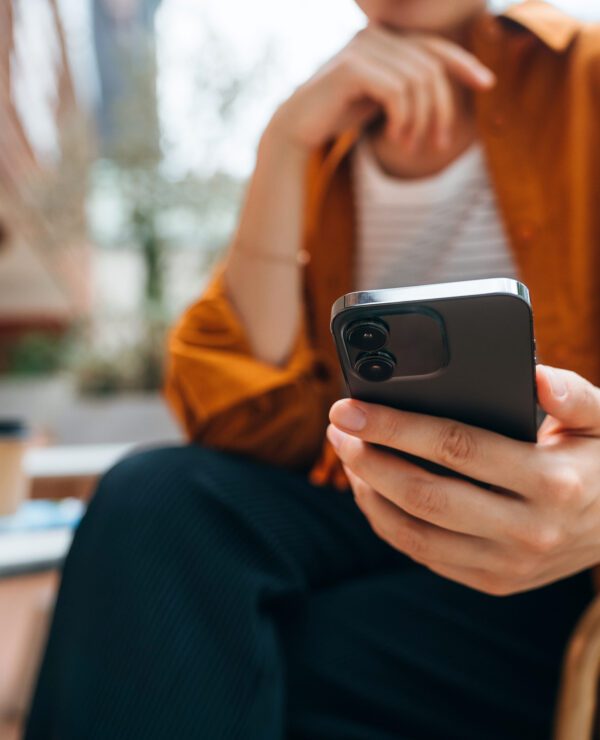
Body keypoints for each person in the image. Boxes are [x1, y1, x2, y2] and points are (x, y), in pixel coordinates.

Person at [25, 1, 600, 738]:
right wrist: (284, 143)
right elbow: (237, 418)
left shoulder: (582, 77)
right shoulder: (328, 133)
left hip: (557, 569)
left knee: (196, 648)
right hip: (371, 511)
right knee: (152, 495)